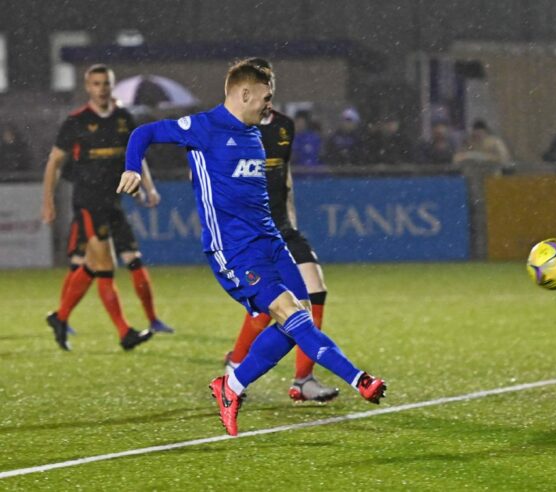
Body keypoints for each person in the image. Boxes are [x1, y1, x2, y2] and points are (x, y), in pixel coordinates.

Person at [117, 60, 386, 436]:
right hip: (235, 251)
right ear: (245, 94)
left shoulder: (255, 135)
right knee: (290, 313)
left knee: (299, 318)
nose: (269, 105)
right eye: (266, 97)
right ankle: (360, 380)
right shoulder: (204, 127)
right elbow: (144, 133)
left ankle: (232, 385)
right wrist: (132, 168)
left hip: (272, 244)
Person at [223, 57, 338, 403]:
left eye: (270, 82)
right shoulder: (233, 128)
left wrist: (291, 218)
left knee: (314, 291)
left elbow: (283, 176)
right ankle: (236, 365)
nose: (267, 90)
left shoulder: (284, 126)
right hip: (251, 232)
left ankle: (303, 379)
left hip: (283, 227)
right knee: (265, 308)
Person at [42, 64, 172, 352]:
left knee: (97, 266)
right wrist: (48, 200)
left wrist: (147, 187)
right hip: (88, 203)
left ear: (112, 87)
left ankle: (60, 317)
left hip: (113, 202)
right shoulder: (76, 121)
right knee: (105, 265)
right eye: (96, 84)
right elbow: (54, 161)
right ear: (88, 87)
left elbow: (137, 156)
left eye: (106, 84)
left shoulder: (124, 118)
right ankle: (124, 332)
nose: (101, 88)